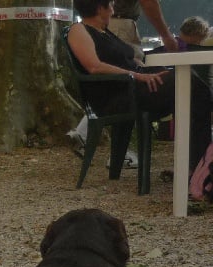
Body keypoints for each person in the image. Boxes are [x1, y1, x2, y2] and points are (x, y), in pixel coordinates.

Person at [67, 0, 212, 174]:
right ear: (99, 8)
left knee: (191, 87)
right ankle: (199, 169)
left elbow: (126, 59)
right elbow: (94, 66)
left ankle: (195, 167)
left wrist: (147, 69)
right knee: (190, 85)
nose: (113, 10)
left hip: (133, 88)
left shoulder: (104, 31)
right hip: (120, 95)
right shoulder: (79, 30)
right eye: (110, 6)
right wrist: (138, 75)